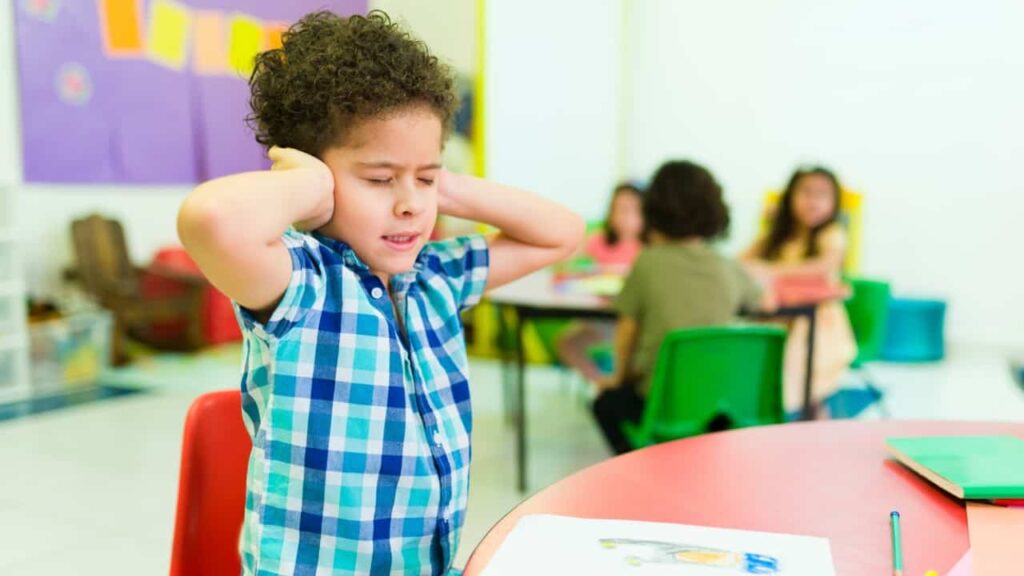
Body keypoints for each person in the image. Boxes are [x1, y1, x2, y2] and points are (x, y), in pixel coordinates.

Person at [176, 11, 584, 574]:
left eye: (425, 177)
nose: (410, 204)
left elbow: (562, 232)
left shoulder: (435, 279)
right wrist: (311, 185)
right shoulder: (300, 282)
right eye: (378, 178)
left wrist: (442, 185)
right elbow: (211, 218)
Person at [593, 160, 768, 455]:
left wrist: (618, 378)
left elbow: (627, 332)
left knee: (605, 403)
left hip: (663, 404)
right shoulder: (725, 264)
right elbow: (766, 302)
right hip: (722, 406)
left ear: (653, 209)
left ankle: (639, 463)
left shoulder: (647, 262)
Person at [741, 166, 857, 416]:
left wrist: (771, 270)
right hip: (778, 318)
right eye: (806, 192)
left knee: (801, 363)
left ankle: (806, 414)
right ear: (790, 197)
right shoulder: (777, 236)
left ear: (834, 202)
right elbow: (741, 262)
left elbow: (825, 265)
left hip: (820, 323)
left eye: (822, 194)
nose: (813, 201)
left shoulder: (831, 234)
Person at [556, 182, 644, 382]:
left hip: (630, 320)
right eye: (619, 210)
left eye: (632, 210)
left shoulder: (647, 248)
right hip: (598, 318)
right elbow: (568, 263)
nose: (625, 217)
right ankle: (601, 384)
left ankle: (620, 383)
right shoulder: (599, 240)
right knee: (566, 343)